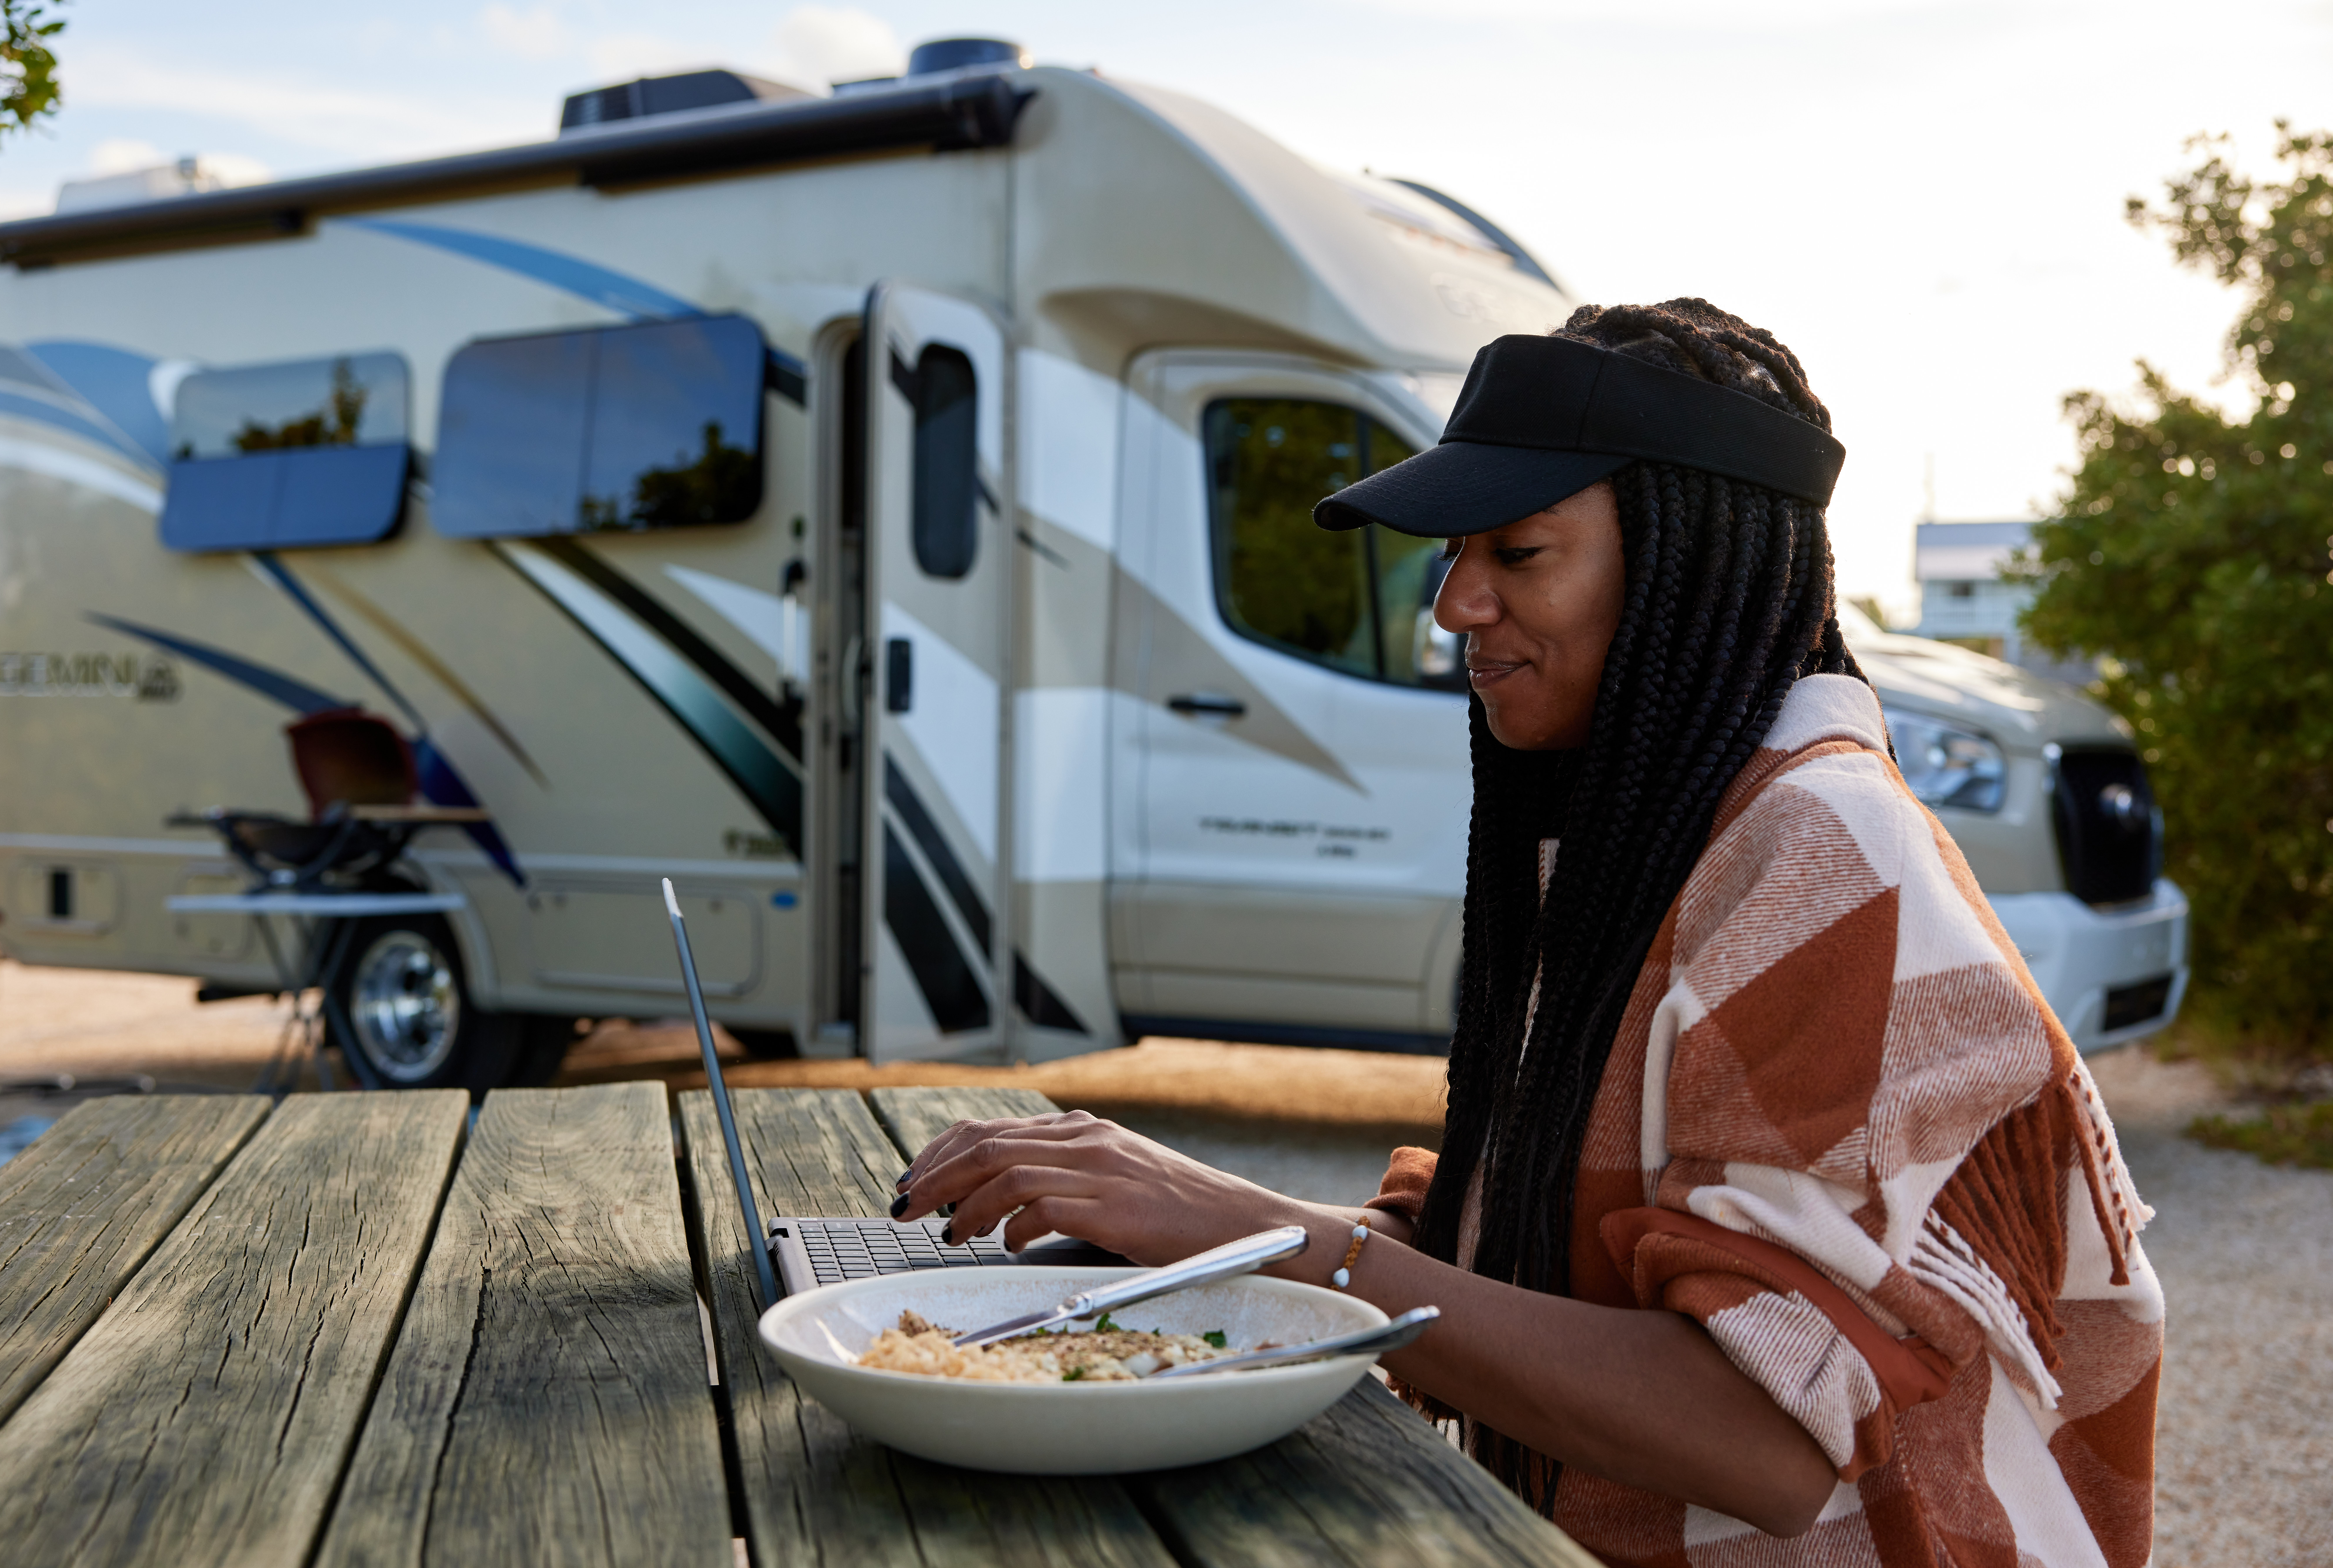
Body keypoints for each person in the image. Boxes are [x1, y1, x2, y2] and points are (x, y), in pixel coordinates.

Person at [891, 300, 2162, 1565]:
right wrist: (1174, 1225)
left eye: (1516, 550)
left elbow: (1759, 1434)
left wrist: (1251, 1226)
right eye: (1454, 554)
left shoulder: (1822, 847)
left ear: (1685, 565)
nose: (1452, 606)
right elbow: (1525, 1251)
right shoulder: (1651, 829)